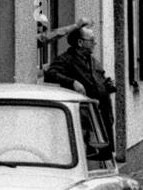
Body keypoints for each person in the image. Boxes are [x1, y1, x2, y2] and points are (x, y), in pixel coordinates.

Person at [43, 25, 117, 156]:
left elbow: (100, 78)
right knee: (90, 153)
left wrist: (107, 84)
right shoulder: (66, 59)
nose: (95, 42)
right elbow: (51, 74)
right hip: (85, 116)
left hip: (102, 113)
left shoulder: (93, 61)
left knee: (105, 152)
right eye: (91, 40)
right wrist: (73, 82)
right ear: (80, 42)